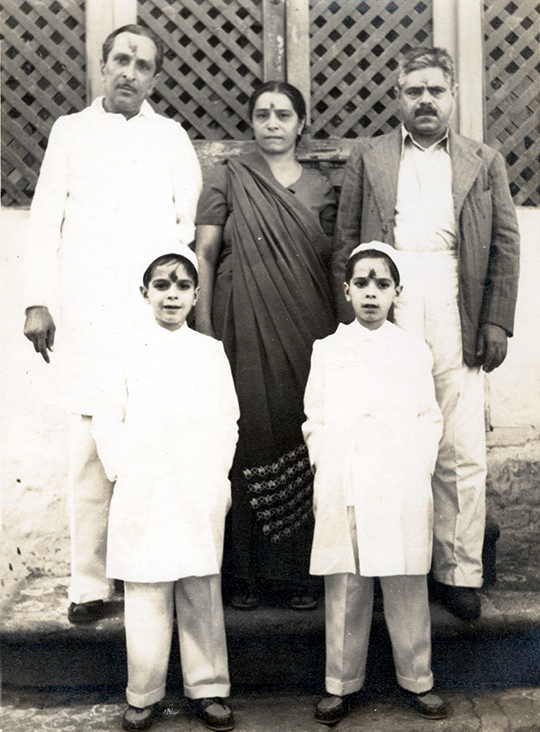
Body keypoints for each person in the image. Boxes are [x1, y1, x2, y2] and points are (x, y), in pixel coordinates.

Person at [332, 46, 520, 622]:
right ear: (399, 97)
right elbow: (346, 239)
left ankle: (459, 571)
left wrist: (494, 320)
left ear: (452, 95)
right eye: (414, 91)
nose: (425, 101)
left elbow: (506, 245)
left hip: (453, 298)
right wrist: (355, 324)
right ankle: (401, 565)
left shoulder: (482, 160)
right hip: (387, 297)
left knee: (459, 444)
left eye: (435, 90)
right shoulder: (371, 157)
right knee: (388, 434)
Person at [22, 25, 202, 623]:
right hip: (88, 314)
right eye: (120, 60)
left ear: (154, 77)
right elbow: (46, 218)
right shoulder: (70, 132)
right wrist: (37, 300)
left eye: (142, 64)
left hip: (150, 316)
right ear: (103, 66)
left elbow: (186, 224)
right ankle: (89, 584)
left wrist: (173, 303)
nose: (130, 71)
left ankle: (142, 570)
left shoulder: (170, 137)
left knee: (150, 442)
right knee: (90, 451)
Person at [195, 81, 337, 609]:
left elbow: (331, 260)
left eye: (283, 114)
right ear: (251, 123)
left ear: (302, 123)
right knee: (248, 436)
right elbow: (204, 257)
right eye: (262, 114)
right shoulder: (228, 178)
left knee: (304, 436)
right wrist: (205, 329)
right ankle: (245, 577)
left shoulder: (324, 186)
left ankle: (300, 576)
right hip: (242, 326)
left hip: (307, 326)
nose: (272, 122)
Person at [92, 248, 239, 732]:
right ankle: (144, 692)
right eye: (162, 285)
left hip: (197, 483)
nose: (172, 294)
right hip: (145, 484)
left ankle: (209, 686)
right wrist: (123, 471)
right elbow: (108, 418)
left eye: (181, 286)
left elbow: (227, 420)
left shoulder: (208, 351)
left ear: (197, 296)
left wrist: (214, 473)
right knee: (147, 589)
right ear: (145, 293)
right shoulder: (126, 350)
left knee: (200, 584)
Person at [304, 242, 445, 725]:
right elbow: (314, 417)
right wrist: (328, 460)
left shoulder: (412, 349)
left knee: (405, 580)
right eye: (361, 282)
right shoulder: (328, 349)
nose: (370, 292)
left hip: (399, 480)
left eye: (381, 284)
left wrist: (415, 466)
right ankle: (340, 684)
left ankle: (418, 680)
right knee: (347, 584)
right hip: (347, 478)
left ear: (396, 292)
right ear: (346, 290)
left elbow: (429, 416)